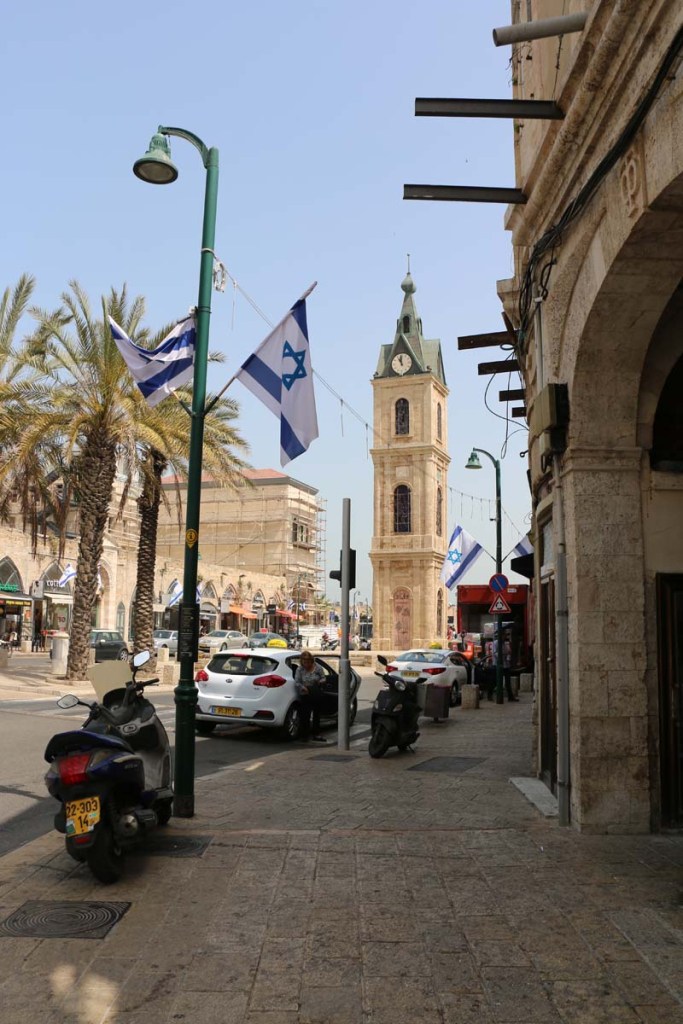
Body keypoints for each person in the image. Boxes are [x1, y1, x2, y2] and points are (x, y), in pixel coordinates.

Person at [294, 650, 327, 742]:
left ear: (311, 660)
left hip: (316, 692)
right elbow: (297, 682)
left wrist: (320, 681)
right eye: (304, 662)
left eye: (308, 662)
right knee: (305, 715)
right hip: (305, 693)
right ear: (302, 662)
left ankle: (316, 734)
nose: (307, 664)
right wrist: (302, 687)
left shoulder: (318, 667)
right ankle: (305, 735)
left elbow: (323, 678)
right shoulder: (300, 669)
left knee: (317, 714)